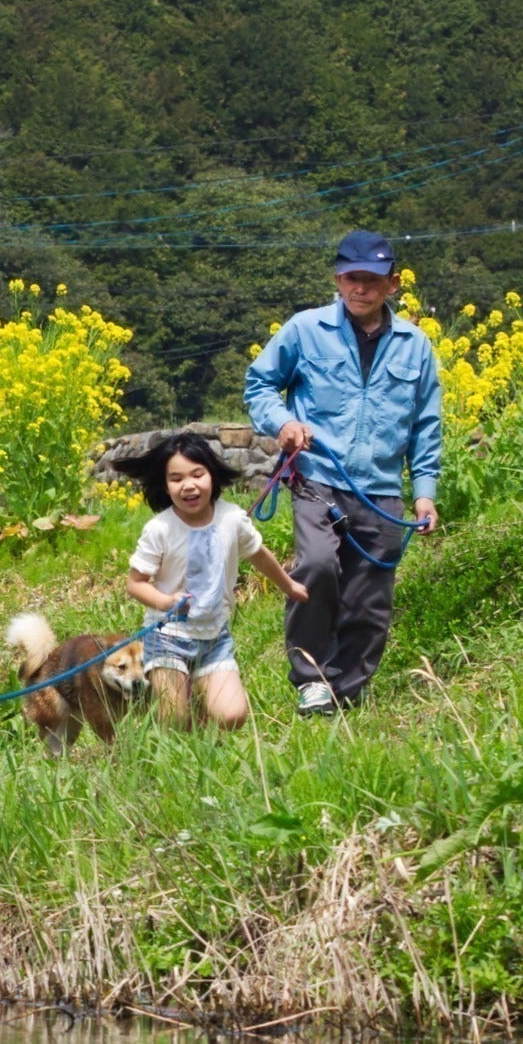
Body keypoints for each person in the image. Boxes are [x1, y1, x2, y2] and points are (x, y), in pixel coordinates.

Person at [242, 228, 445, 717]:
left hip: (381, 491)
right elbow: (260, 385)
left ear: (392, 284)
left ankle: (345, 691)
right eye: (352, 279)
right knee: (315, 566)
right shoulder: (305, 329)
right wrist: (284, 423)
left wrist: (424, 491)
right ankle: (311, 678)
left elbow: (426, 424)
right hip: (317, 478)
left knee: (370, 600)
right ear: (338, 278)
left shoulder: (416, 346)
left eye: (373, 281)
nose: (361, 289)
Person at [121, 431, 307, 730]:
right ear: (165, 486)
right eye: (177, 478)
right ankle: (180, 709)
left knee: (231, 716)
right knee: (173, 720)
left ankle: (198, 705)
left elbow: (258, 554)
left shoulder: (232, 519)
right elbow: (135, 582)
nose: (189, 485)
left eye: (198, 474)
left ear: (212, 474)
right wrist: (165, 601)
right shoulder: (159, 529)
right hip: (167, 636)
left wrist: (289, 586)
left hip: (214, 637)